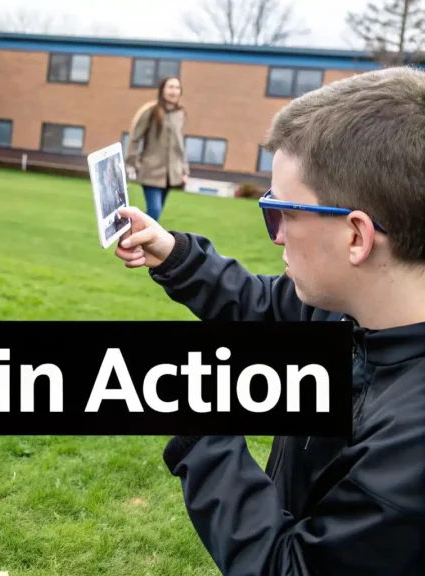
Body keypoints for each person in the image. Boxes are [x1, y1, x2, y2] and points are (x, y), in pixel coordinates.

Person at [115, 66, 425, 574]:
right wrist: (174, 255)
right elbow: (265, 306)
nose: (277, 234)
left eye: (283, 212)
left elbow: (288, 568)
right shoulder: (350, 309)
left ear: (356, 237)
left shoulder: (410, 449)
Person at [124, 76, 188, 222]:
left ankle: (137, 232)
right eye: (170, 87)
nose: (174, 91)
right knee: (155, 211)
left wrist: (184, 170)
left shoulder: (180, 114)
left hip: (170, 174)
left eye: (177, 88)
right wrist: (133, 163)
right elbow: (134, 138)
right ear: (162, 90)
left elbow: (180, 145)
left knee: (154, 215)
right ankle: (133, 232)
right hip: (151, 171)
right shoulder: (150, 111)